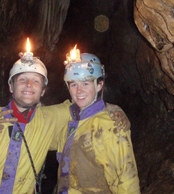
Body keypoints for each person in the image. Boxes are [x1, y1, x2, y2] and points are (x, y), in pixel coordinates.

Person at [0, 47, 130, 194]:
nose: (29, 85)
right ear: (11, 86)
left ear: (43, 91)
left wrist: (112, 108)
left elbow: (84, 102)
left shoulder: (50, 118)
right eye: (22, 79)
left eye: (36, 80)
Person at [56, 51, 140, 193]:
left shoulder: (112, 125)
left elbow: (127, 177)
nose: (79, 91)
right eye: (73, 84)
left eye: (85, 83)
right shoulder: (68, 122)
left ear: (99, 85)